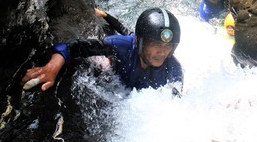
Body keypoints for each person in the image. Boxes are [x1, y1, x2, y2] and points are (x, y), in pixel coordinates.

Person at [21, 7, 183, 92]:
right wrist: (51, 67)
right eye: (156, 44)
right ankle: (106, 15)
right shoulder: (121, 46)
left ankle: (106, 15)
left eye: (168, 46)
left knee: (128, 31)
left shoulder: (174, 69)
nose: (162, 52)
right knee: (125, 32)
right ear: (141, 42)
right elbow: (75, 46)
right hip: (126, 46)